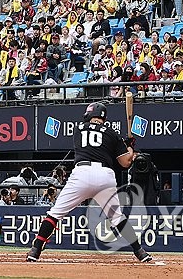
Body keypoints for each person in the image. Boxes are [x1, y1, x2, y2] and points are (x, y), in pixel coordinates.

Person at [27, 101, 152, 263]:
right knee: (118, 218)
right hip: (104, 176)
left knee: (55, 213)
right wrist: (129, 147)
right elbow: (125, 163)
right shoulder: (111, 133)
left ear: (90, 115)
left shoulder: (78, 129)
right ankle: (140, 252)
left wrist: (124, 145)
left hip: (82, 173)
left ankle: (35, 249)